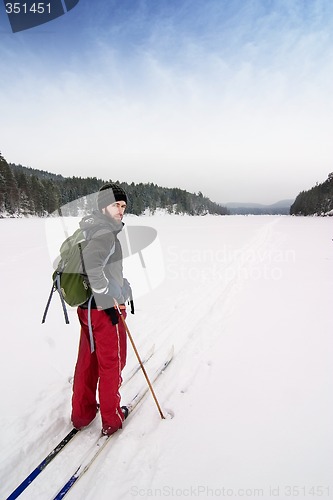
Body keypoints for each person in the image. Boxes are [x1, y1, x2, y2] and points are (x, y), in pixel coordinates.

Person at [71, 182, 132, 436]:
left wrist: (121, 285)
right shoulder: (105, 233)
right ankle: (112, 419)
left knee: (88, 362)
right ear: (103, 206)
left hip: (87, 310)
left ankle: (82, 414)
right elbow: (94, 267)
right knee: (112, 364)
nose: (120, 210)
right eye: (116, 204)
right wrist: (108, 299)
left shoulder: (91, 228)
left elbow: (97, 268)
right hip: (104, 312)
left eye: (123, 206)